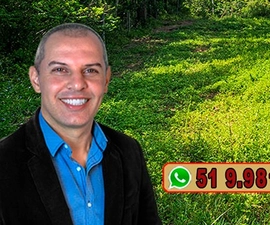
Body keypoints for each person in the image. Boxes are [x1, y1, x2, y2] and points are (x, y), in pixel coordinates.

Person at [0, 23, 162, 225]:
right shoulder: (4, 162)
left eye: (91, 70)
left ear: (106, 80)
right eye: (60, 69)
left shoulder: (129, 151)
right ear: (36, 79)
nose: (77, 84)